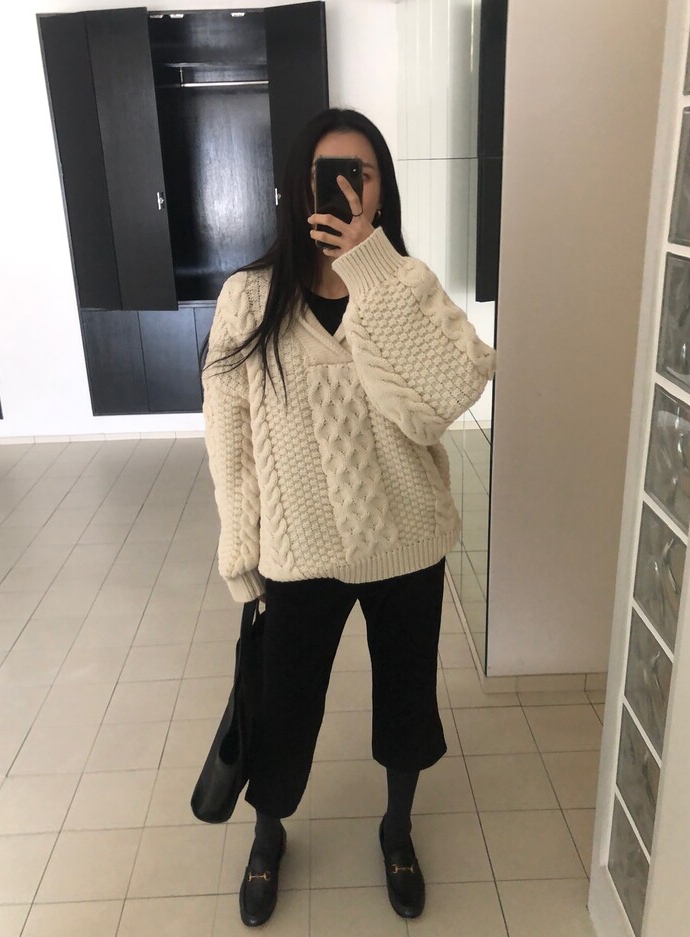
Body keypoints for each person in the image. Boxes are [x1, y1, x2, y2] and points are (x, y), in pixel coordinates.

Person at [201, 108, 496, 926]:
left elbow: (444, 399)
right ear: (299, 188)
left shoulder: (404, 284)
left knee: (407, 703)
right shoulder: (249, 297)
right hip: (300, 553)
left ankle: (397, 829)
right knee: (282, 710)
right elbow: (229, 436)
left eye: (359, 174)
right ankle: (268, 835)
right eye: (326, 173)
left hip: (409, 542)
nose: (343, 187)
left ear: (379, 190)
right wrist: (241, 545)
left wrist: (371, 268)